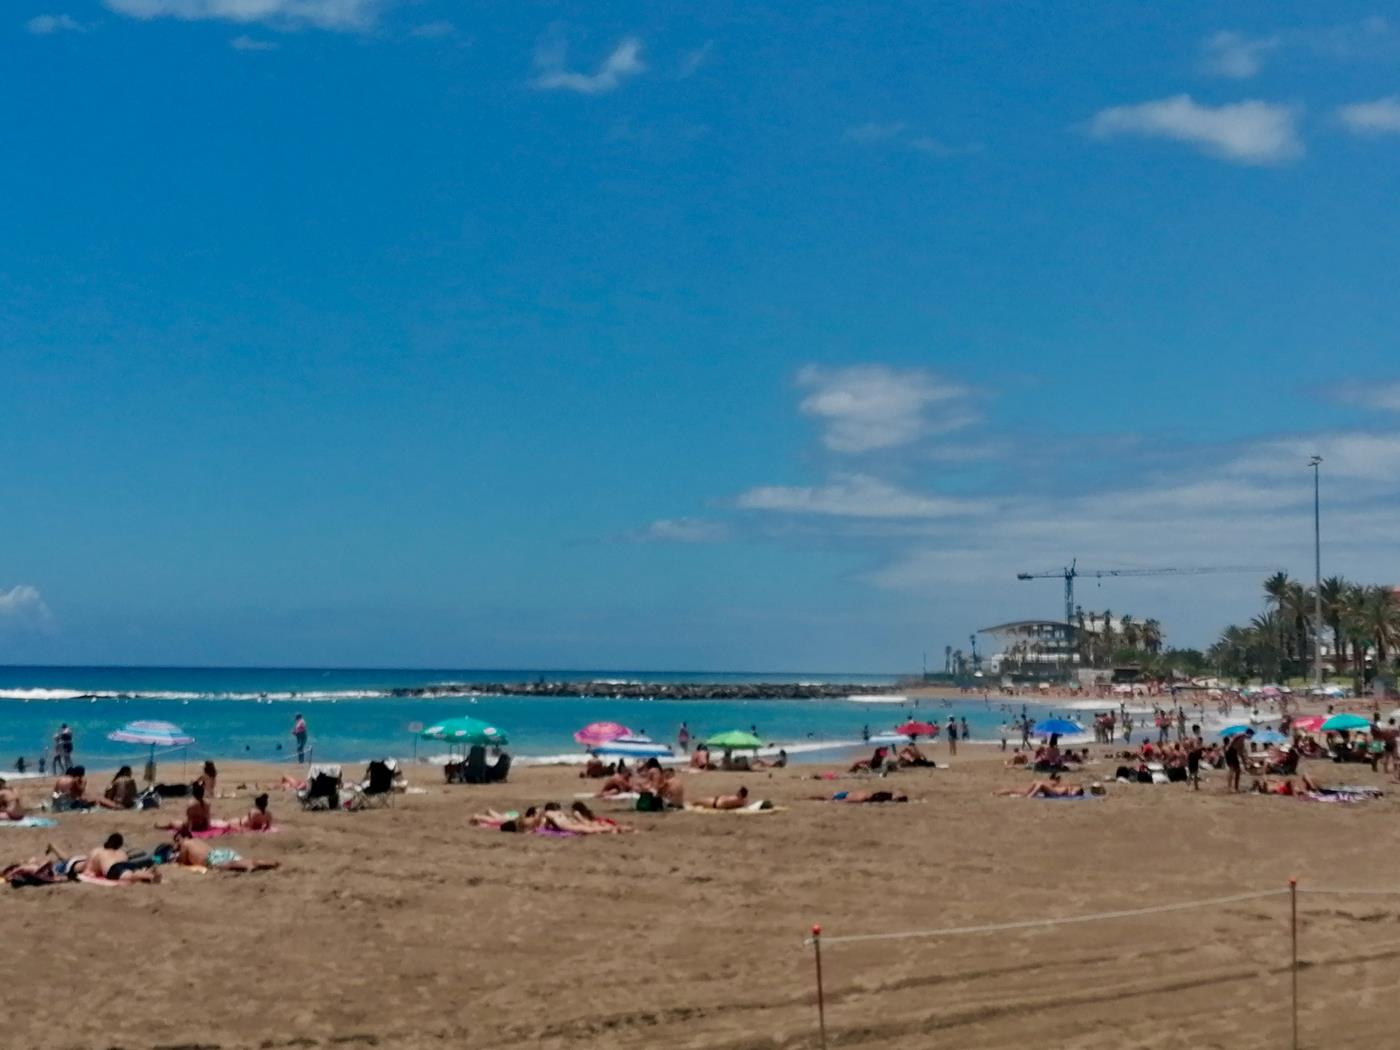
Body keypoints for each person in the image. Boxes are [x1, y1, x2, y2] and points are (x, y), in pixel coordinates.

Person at [174, 828, 279, 872]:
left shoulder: (185, 843)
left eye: (177, 840)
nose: (176, 843)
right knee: (242, 861)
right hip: (219, 852)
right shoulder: (196, 840)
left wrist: (175, 856)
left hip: (211, 858)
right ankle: (271, 863)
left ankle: (253, 864)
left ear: (182, 837)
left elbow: (183, 862)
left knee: (235, 865)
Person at [88, 833, 161, 883]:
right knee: (134, 871)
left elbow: (93, 869)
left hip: (114, 868)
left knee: (130, 876)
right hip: (126, 864)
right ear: (119, 845)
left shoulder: (101, 852)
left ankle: (150, 875)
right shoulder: (122, 852)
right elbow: (125, 861)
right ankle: (147, 872)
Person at [1224, 729, 1252, 793]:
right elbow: (1241, 752)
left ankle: (1235, 787)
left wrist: (1245, 762)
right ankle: (1230, 788)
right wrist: (1245, 762)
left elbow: (1241, 753)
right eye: (1251, 735)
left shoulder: (1242, 738)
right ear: (1249, 734)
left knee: (1237, 771)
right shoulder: (1242, 737)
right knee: (1232, 770)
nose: (1251, 737)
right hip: (1231, 752)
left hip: (1232, 752)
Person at [814, 789, 909, 803]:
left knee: (825, 798)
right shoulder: (888, 795)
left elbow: (855, 800)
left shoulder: (882, 797)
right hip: (848, 794)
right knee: (825, 797)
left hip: (847, 795)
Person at [1186, 724, 1205, 792]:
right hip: (1193, 754)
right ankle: (1190, 786)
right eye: (1199, 729)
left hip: (1193, 754)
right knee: (1193, 771)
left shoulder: (1193, 737)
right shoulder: (1194, 737)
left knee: (1195, 771)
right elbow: (1195, 747)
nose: (1200, 731)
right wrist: (1202, 747)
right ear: (1196, 730)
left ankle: (1196, 786)